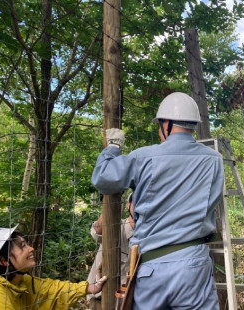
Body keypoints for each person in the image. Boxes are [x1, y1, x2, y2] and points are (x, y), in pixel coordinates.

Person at [91, 92, 224, 310]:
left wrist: (112, 147)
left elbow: (103, 180)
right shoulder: (214, 160)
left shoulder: (144, 157)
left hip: (152, 268)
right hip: (194, 263)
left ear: (167, 123)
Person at [0, 225, 107, 310]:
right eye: (23, 246)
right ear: (3, 261)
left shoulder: (22, 281)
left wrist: (91, 288)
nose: (31, 249)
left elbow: (52, 290)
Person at [87, 193, 136, 309]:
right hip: (100, 300)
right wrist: (108, 200)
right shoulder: (116, 226)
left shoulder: (148, 236)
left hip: (127, 302)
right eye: (137, 202)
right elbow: (97, 233)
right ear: (129, 206)